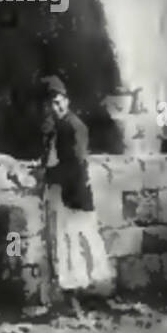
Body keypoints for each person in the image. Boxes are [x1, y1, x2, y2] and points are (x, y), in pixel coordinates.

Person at [39, 76, 114, 314]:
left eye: (59, 102)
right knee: (66, 241)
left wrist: (49, 174)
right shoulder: (55, 127)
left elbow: (75, 163)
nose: (55, 107)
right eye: (51, 104)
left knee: (78, 241)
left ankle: (86, 293)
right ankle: (73, 292)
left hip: (73, 192)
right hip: (61, 191)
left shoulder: (74, 126)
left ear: (67, 100)